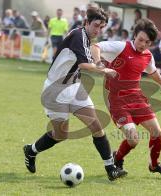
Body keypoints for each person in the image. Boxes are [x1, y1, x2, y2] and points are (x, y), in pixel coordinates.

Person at [23, 7, 127, 181]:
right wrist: (105, 70)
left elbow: (91, 56)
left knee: (96, 126)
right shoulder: (79, 36)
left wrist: (99, 62)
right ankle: (31, 150)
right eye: (96, 25)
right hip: (55, 92)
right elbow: (85, 66)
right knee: (61, 134)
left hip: (74, 88)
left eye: (101, 27)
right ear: (86, 22)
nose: (98, 30)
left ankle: (111, 168)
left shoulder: (85, 37)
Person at [91, 18, 161, 176]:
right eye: (140, 40)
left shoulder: (148, 55)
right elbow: (96, 46)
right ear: (134, 35)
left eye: (147, 42)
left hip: (136, 98)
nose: (143, 44)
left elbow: (153, 71)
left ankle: (154, 165)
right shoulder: (120, 46)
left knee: (156, 132)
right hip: (116, 100)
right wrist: (99, 64)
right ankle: (118, 159)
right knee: (133, 139)